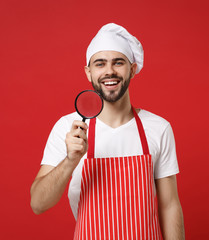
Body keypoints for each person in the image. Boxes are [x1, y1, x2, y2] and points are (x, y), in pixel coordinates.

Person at [30, 23, 185, 240]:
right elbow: (38, 204)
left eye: (118, 62)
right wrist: (69, 160)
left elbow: (169, 206)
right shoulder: (68, 128)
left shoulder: (158, 128)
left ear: (131, 69)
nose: (109, 71)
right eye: (100, 64)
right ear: (89, 72)